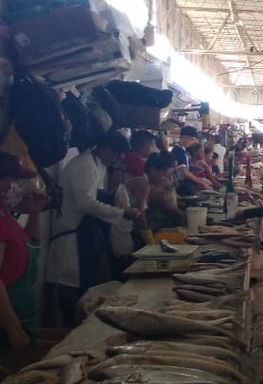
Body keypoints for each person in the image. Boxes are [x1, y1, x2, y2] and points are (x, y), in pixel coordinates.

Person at [47, 131, 142, 325]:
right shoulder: (85, 165)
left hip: (86, 236)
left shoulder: (96, 165)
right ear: (105, 148)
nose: (115, 160)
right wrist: (121, 213)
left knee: (85, 290)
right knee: (72, 291)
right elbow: (86, 203)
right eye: (115, 155)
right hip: (73, 237)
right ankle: (69, 329)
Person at [0, 153, 47, 348]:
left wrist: (34, 211)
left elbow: (32, 245)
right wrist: (13, 328)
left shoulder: (6, 217)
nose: (17, 187)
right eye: (13, 180)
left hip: (21, 318)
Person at [144, 152, 186, 232]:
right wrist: (183, 214)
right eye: (162, 174)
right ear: (152, 169)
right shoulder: (144, 183)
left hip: (168, 221)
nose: (163, 177)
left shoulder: (161, 181)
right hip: (158, 226)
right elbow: (162, 201)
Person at [171, 126, 211, 195]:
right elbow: (184, 171)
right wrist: (200, 181)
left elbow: (189, 168)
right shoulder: (177, 150)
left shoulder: (183, 150)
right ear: (185, 137)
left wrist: (201, 178)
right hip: (182, 185)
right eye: (192, 139)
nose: (193, 142)